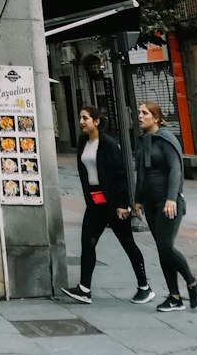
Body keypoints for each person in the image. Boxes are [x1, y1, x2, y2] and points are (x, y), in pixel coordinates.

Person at [60, 105, 153, 306]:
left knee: (128, 243)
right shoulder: (83, 142)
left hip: (113, 203)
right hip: (95, 203)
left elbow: (119, 175)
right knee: (87, 242)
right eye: (80, 118)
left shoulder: (109, 144)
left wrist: (122, 204)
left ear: (96, 121)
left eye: (85, 118)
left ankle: (144, 287)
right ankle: (84, 289)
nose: (81, 122)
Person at [134, 101, 197, 312]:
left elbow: (175, 169)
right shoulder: (145, 140)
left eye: (144, 113)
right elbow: (141, 173)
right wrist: (138, 199)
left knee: (166, 246)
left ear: (156, 118)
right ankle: (174, 296)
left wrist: (171, 198)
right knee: (162, 250)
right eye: (139, 112)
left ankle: (193, 283)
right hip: (151, 202)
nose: (140, 116)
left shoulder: (166, 139)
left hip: (168, 202)